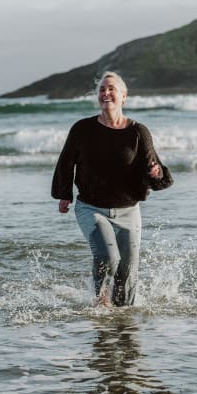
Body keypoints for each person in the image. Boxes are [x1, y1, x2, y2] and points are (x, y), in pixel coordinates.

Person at [51, 71, 173, 307]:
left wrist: (155, 174)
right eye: (101, 89)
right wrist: (64, 195)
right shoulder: (82, 129)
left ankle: (123, 317)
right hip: (91, 208)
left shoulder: (138, 132)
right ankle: (100, 304)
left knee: (128, 270)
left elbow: (153, 167)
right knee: (108, 258)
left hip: (129, 211)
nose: (105, 93)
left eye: (111, 89)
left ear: (124, 96)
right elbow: (66, 162)